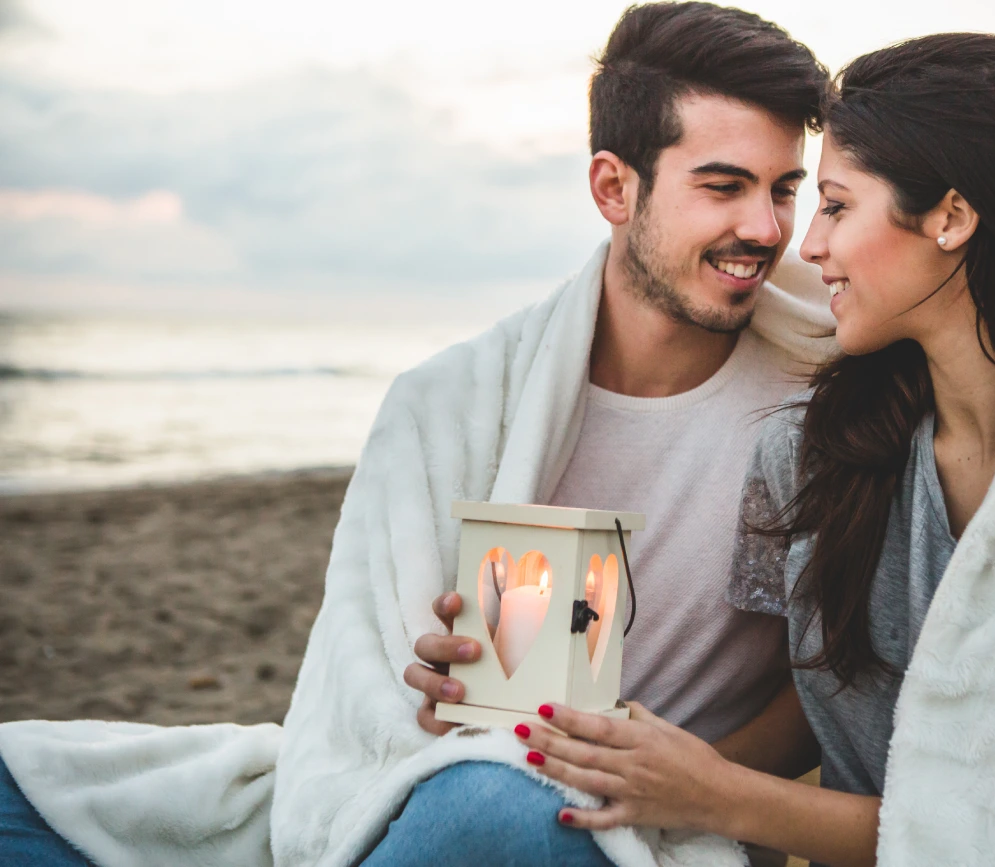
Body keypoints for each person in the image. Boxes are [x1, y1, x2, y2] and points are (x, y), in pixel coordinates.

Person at [0, 4, 830, 866]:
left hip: (639, 825)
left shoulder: (824, 403)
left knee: (495, 806)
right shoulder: (450, 404)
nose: (767, 230)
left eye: (784, 189)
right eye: (724, 187)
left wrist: (682, 781)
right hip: (459, 782)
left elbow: (839, 690)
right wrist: (423, 693)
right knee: (20, 777)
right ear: (613, 189)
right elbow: (358, 704)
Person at [511, 33, 995, 867]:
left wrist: (712, 792)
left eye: (835, 205)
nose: (806, 245)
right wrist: (627, 764)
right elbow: (810, 698)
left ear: (950, 217)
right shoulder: (815, 454)